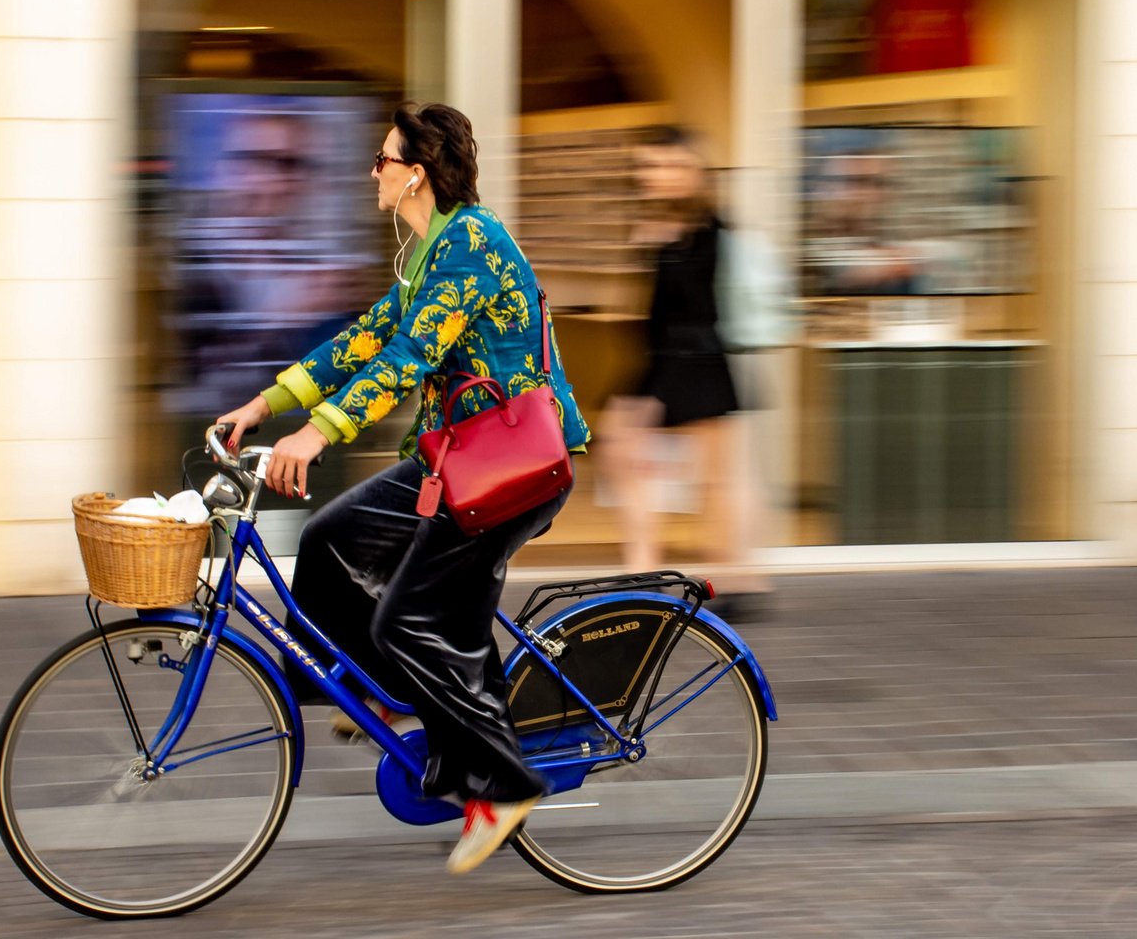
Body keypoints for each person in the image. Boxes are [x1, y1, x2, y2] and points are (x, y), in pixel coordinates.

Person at [215, 102, 591, 875]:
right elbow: (367, 338)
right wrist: (267, 403)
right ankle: (386, 697)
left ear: (416, 172)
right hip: (454, 459)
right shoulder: (428, 251)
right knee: (327, 541)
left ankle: (501, 786)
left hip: (509, 470)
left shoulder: (472, 244)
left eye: (382, 159)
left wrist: (318, 433)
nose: (373, 171)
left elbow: (410, 359)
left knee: (408, 622)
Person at [597, 126, 771, 619]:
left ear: (691, 172)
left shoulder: (703, 231)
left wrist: (653, 394)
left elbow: (687, 314)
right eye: (647, 166)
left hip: (690, 366)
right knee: (714, 477)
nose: (653, 176)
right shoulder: (670, 226)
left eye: (665, 166)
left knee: (713, 478)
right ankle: (725, 577)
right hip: (679, 365)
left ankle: (667, 574)